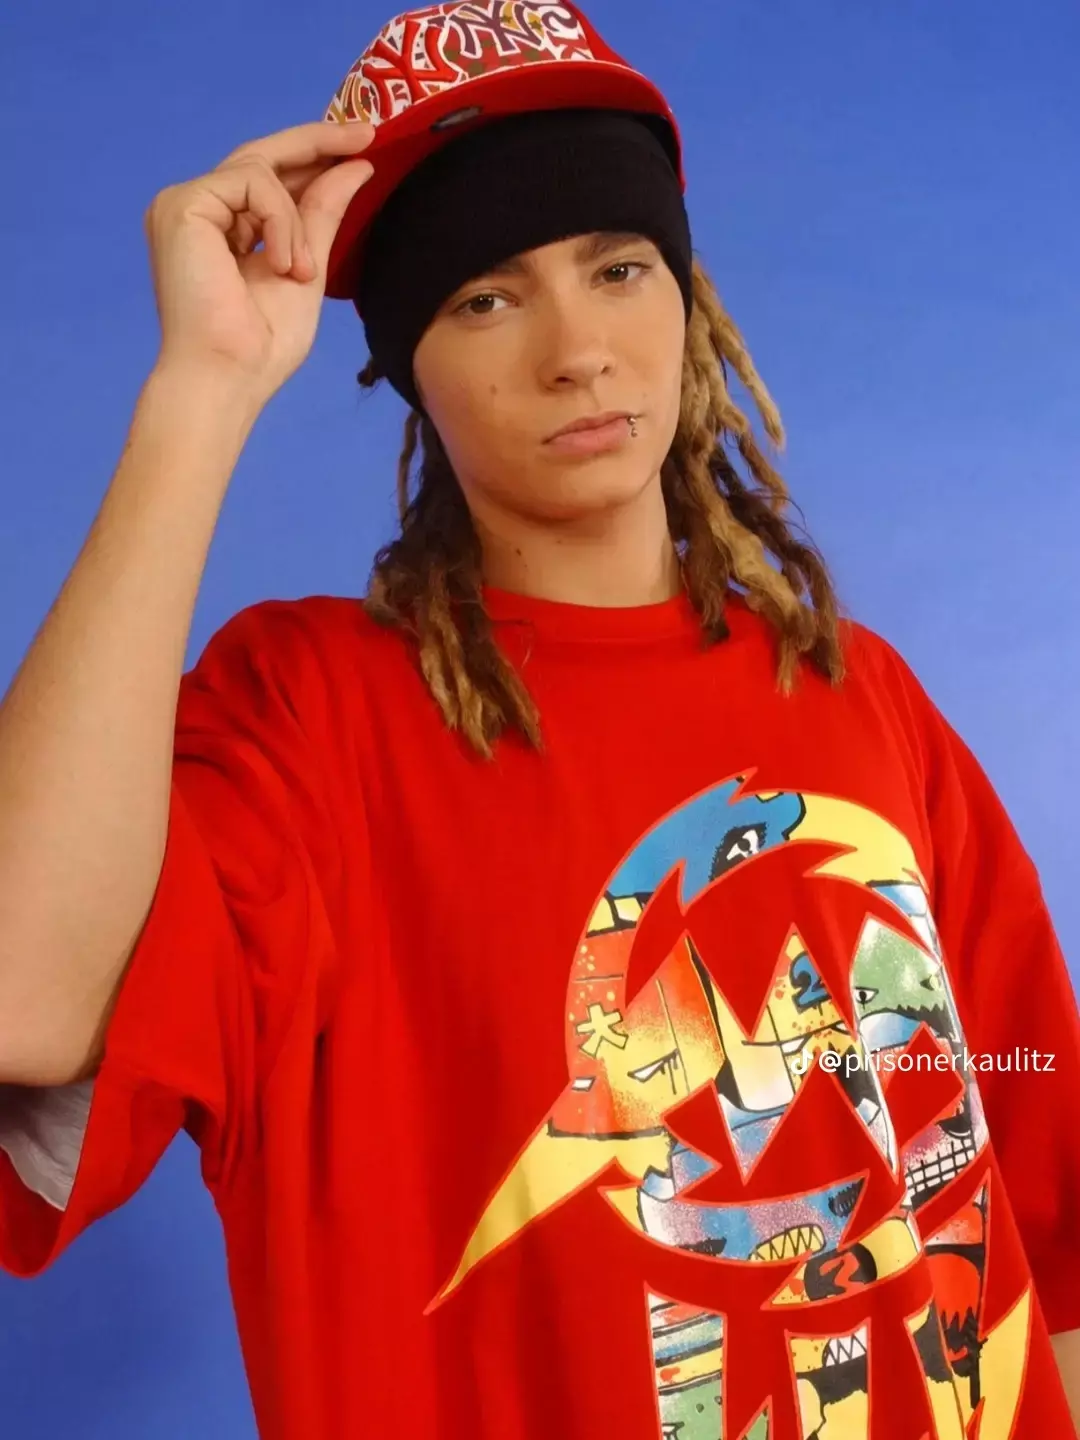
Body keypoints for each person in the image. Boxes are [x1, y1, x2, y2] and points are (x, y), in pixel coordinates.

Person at [0, 2, 1077, 1436]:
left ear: (687, 298)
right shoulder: (310, 719)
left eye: (618, 267)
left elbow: (1046, 1226)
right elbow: (21, 994)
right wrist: (202, 390)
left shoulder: (856, 690)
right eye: (484, 299)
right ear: (407, 364)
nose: (578, 351)